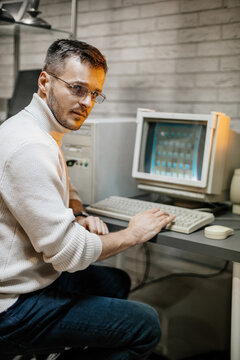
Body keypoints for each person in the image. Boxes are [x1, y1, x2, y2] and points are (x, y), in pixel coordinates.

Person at [0, 39, 175, 360]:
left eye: (94, 93)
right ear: (44, 82)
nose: (87, 102)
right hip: (9, 308)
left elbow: (65, 189)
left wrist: (78, 214)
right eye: (77, 89)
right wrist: (133, 234)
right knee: (145, 324)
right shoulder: (30, 145)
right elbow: (68, 253)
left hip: (25, 280)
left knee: (114, 280)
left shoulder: (40, 131)